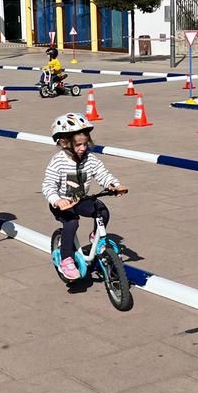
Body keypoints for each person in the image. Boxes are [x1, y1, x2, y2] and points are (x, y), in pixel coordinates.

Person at [42, 113, 128, 280]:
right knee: (71, 223)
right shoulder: (58, 161)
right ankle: (66, 259)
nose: (83, 148)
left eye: (85, 144)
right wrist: (57, 200)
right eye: (78, 145)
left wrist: (114, 185)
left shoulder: (90, 159)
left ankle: (97, 239)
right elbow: (48, 185)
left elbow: (102, 173)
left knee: (102, 210)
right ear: (64, 143)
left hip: (81, 200)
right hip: (62, 204)